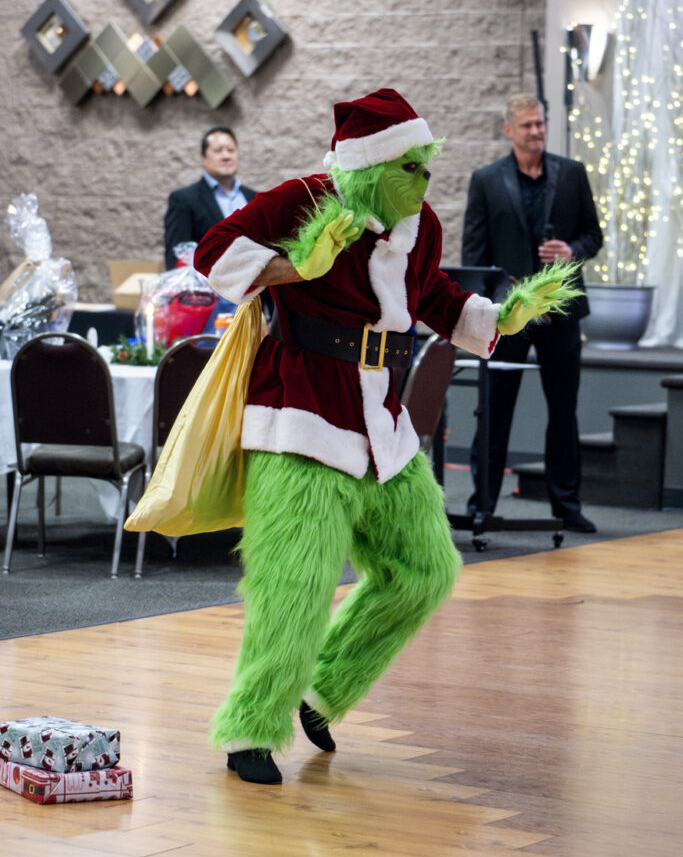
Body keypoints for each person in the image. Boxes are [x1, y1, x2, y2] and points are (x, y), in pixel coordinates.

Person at [191, 88, 578, 785]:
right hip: (301, 415)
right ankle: (251, 727)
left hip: (382, 424)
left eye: (426, 167)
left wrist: (500, 317)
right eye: (409, 168)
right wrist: (295, 266)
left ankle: (324, 690)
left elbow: (431, 295)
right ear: (369, 165)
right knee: (295, 586)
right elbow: (212, 253)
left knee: (425, 569)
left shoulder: (420, 224)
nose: (422, 182)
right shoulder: (308, 197)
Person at [461, 93, 603, 533]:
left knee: (564, 411)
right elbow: (474, 253)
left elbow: (593, 236)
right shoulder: (486, 181)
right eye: (527, 125)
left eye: (540, 123)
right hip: (509, 315)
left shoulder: (573, 174)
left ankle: (567, 505)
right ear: (509, 130)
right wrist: (483, 309)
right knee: (494, 410)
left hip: (562, 310)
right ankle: (482, 503)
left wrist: (572, 250)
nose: (536, 131)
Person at [163, 126, 257, 270]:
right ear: (204, 158)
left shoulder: (254, 198)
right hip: (209, 282)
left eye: (231, 150)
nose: (226, 156)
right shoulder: (183, 200)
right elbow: (176, 257)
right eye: (218, 150)